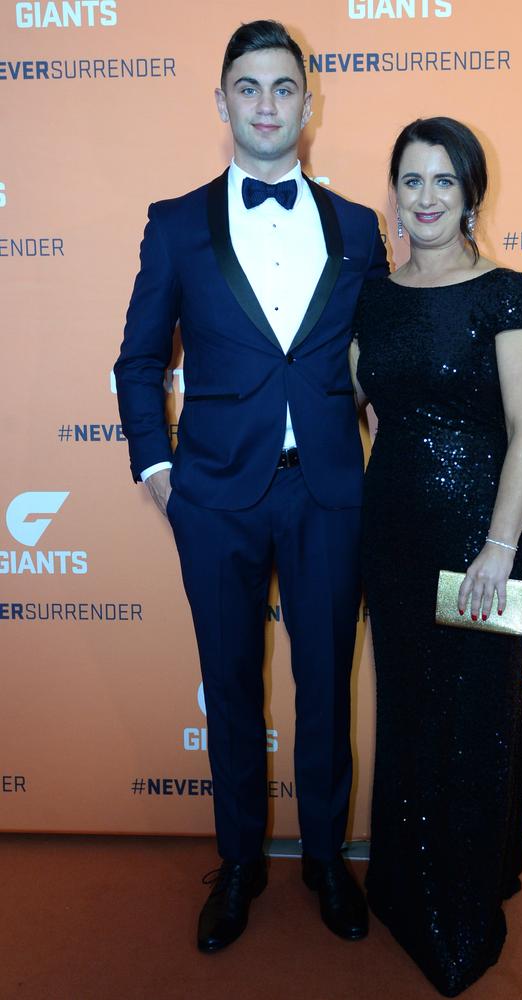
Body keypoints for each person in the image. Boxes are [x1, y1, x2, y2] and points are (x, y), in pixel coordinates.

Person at [114, 20, 387, 954]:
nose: (267, 105)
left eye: (283, 88)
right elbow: (140, 357)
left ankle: (323, 860)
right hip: (215, 499)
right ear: (222, 101)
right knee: (229, 688)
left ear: (309, 104)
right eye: (248, 88)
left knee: (326, 689)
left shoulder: (357, 226)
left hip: (329, 495)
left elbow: (379, 363)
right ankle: (237, 863)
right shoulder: (176, 222)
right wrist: (159, 471)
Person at [350, 117, 522, 996]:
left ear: (471, 193)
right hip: (392, 537)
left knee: (472, 720)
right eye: (410, 181)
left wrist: (498, 548)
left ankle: (463, 900)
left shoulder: (509, 292)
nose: (424, 198)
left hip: (482, 543)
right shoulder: (375, 294)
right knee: (409, 709)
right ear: (392, 192)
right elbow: (369, 408)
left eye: (443, 181)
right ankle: (402, 882)